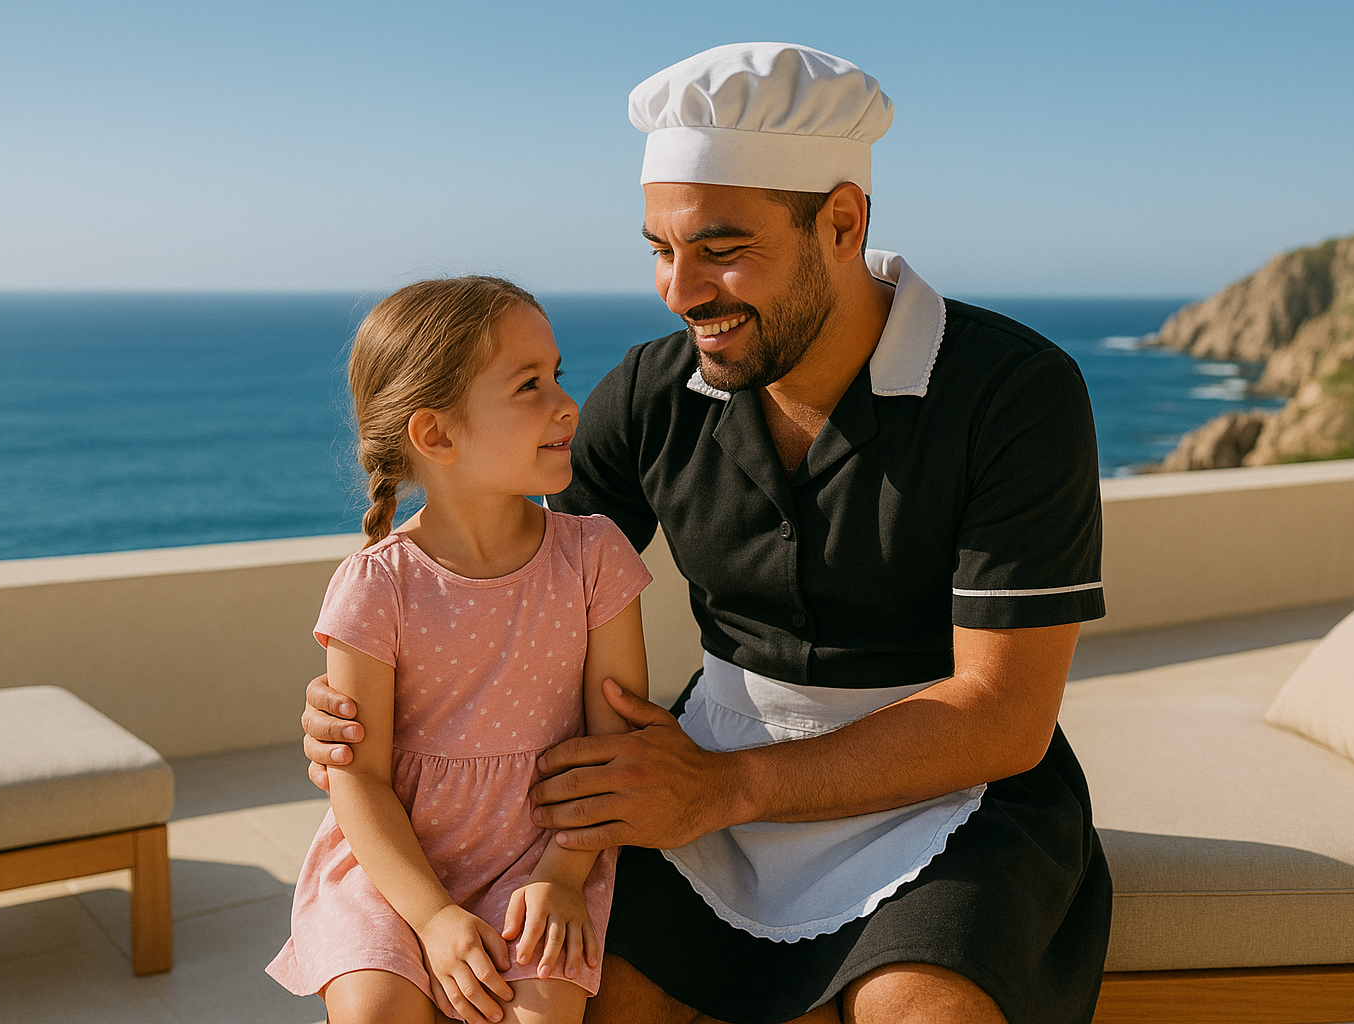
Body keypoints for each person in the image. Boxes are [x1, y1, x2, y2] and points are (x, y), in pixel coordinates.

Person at [304, 44, 1111, 1024]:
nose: (680, 291)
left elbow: (1002, 715)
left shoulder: (1013, 393)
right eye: (660, 249)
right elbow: (518, 579)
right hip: (702, 774)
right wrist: (375, 707)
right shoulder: (651, 392)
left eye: (720, 248)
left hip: (953, 795)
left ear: (842, 223)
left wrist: (728, 789)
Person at [268, 277, 652, 1024]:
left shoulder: (596, 557)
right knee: (375, 1013)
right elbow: (358, 779)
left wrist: (562, 875)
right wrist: (434, 917)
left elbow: (616, 746)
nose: (566, 404)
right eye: (528, 386)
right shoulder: (376, 586)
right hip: (392, 870)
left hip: (545, 857)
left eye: (557, 375)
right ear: (437, 435)